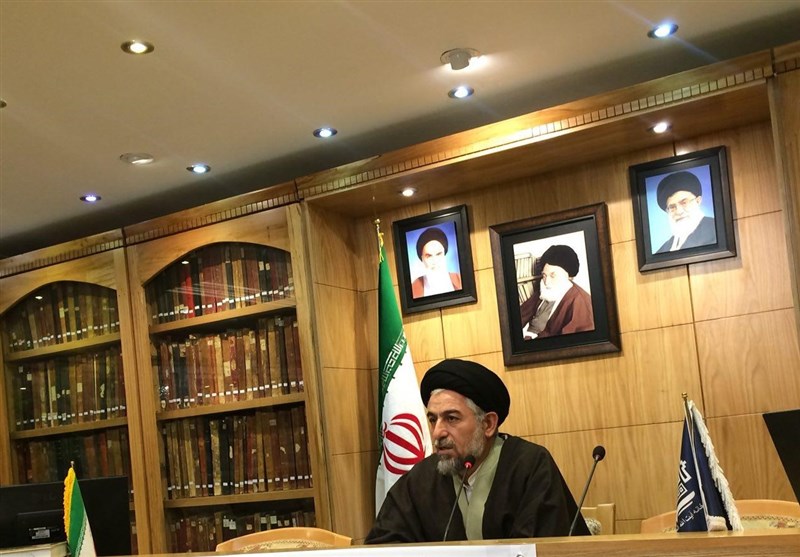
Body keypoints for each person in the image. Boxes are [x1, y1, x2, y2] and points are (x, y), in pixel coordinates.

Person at [365, 358, 589, 543]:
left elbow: (544, 547)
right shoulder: (420, 480)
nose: (437, 433)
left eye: (452, 418)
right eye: (433, 420)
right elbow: (384, 545)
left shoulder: (529, 467)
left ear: (488, 424)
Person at [519, 245, 594, 340]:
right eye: (544, 275)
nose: (546, 282)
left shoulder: (581, 302)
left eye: (553, 276)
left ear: (569, 276)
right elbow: (521, 315)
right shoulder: (544, 291)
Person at [654, 171, 716, 254]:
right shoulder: (663, 250)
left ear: (698, 201)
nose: (679, 211)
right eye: (672, 207)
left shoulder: (716, 230)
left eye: (684, 203)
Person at [411, 227, 462, 298]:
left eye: (438, 254)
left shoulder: (459, 280)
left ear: (444, 254)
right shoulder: (414, 288)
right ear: (422, 259)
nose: (435, 261)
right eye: (429, 256)